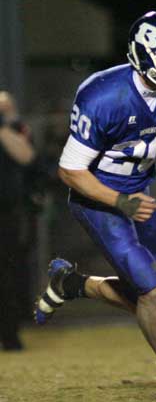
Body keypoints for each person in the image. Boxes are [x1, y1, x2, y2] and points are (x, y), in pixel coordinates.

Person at [35, 11, 156, 388]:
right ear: (144, 56)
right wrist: (120, 201)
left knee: (147, 291)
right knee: (151, 290)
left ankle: (73, 284)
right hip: (97, 198)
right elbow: (70, 171)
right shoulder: (104, 95)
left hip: (140, 193)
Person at [0, 91, 36, 350]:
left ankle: (9, 333)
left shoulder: (15, 129)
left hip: (6, 212)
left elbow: (26, 156)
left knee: (7, 275)